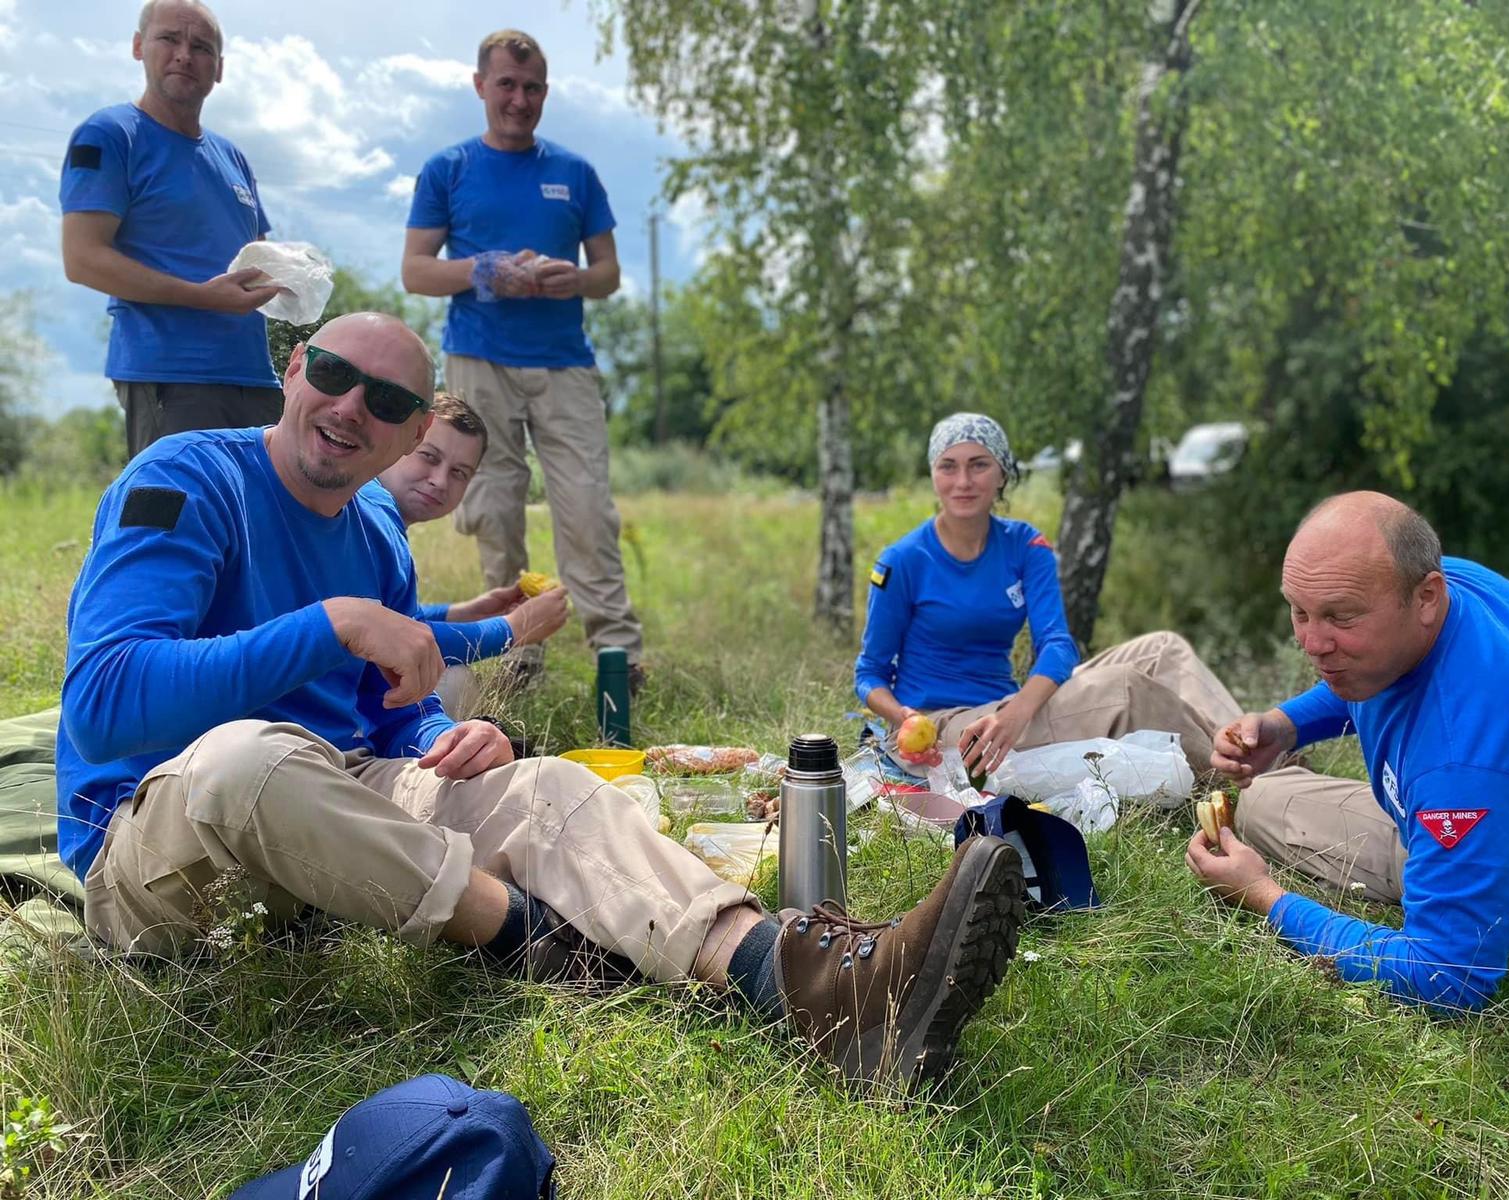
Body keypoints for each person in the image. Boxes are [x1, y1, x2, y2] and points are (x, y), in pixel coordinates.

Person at [55, 311, 1026, 1090]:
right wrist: (331, 624)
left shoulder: (376, 539)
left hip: (332, 815)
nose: (353, 406)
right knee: (251, 758)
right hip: (158, 845)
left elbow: (393, 718)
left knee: (547, 784)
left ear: (406, 429)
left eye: (387, 399)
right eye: (336, 374)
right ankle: (534, 941)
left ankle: (800, 981)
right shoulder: (186, 481)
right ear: (293, 367)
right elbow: (104, 702)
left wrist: (449, 731)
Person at [1188, 492, 1509, 1010]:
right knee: (1265, 794)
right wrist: (1285, 726)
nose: (1312, 643)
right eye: (1299, 611)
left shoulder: (1463, 767)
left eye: (1340, 617)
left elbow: (1449, 975)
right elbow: (1365, 677)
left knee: (1265, 808)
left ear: (1425, 597)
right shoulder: (1452, 586)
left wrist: (1264, 897)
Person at [401, 28, 644, 693]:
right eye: (506, 84)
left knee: (588, 506)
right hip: (479, 357)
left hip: (564, 361)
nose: (519, 99)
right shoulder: (447, 169)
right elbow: (416, 272)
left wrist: (577, 279)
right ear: (481, 85)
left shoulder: (575, 173)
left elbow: (610, 273)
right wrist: (482, 271)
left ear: (545, 93)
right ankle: (517, 657)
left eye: (532, 87)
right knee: (495, 506)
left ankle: (617, 659)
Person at [856, 412, 1245, 782]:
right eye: (948, 466)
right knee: (1124, 690)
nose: (963, 481)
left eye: (979, 464)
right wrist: (903, 717)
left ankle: (1256, 750)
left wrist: (1017, 711)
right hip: (946, 724)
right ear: (933, 474)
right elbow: (869, 673)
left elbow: (1057, 644)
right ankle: (1236, 772)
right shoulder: (902, 561)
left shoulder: (1025, 545)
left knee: (1164, 649)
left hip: (1004, 712)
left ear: (1003, 472)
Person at [59, 0, 284, 458]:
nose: (184, 54)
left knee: (260, 524)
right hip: (173, 377)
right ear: (139, 46)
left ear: (218, 69)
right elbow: (81, 259)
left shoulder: (233, 157)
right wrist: (204, 297)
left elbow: (259, 260)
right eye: (169, 39)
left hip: (255, 376)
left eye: (201, 47)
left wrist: (299, 275)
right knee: (184, 523)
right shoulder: (110, 134)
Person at [375, 392, 567, 721]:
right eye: (429, 457)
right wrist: (514, 628)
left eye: (459, 472)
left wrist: (467, 612)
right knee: (454, 682)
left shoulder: (381, 512)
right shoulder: (371, 517)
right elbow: (391, 641)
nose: (439, 481)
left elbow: (391, 618)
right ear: (403, 441)